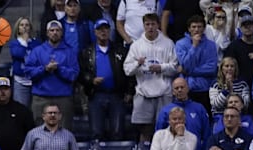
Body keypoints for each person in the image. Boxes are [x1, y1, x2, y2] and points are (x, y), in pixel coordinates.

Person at [123, 13, 178, 142]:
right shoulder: (136, 46)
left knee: (166, 131)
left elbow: (175, 68)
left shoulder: (168, 43)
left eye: (153, 24)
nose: (150, 27)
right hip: (143, 94)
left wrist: (161, 68)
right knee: (145, 131)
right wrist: (138, 63)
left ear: (158, 25)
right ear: (143, 26)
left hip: (164, 94)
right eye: (147, 24)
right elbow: (127, 70)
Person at [154, 78, 209, 150]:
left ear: (188, 88)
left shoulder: (199, 108)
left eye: (182, 87)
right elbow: (159, 135)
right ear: (173, 91)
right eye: (176, 88)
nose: (179, 90)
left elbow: (206, 134)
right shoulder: (165, 111)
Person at [79, 19, 131, 141]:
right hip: (96, 95)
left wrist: (129, 91)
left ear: (110, 31)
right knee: (96, 133)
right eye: (100, 29)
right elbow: (80, 74)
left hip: (116, 95)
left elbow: (128, 73)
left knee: (118, 132)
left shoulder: (120, 50)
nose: (103, 32)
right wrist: (91, 80)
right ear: (95, 32)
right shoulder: (87, 52)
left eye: (106, 29)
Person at [23, 20, 78, 127]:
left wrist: (59, 69)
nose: (54, 33)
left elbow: (74, 74)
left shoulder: (69, 52)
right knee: (39, 133)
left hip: (63, 98)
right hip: (41, 97)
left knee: (64, 132)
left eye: (57, 30)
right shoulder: (37, 51)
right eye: (52, 30)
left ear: (62, 33)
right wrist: (44, 69)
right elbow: (28, 72)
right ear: (47, 33)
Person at [174, 15, 218, 112]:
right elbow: (185, 64)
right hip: (188, 89)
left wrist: (189, 71)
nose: (196, 29)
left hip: (205, 88)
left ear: (204, 28)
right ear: (189, 28)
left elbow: (211, 69)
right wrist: (194, 46)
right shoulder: (180, 44)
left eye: (199, 27)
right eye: (194, 27)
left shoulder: (211, 45)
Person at [223, 15, 253, 89]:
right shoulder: (233, 47)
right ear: (240, 29)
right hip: (238, 87)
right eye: (244, 25)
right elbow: (226, 68)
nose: (247, 27)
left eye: (250, 24)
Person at [9, 17, 41, 108]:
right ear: (18, 28)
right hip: (20, 81)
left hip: (35, 81)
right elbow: (18, 54)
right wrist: (25, 43)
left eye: (27, 25)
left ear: (30, 28)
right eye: (22, 25)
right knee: (21, 109)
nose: (24, 27)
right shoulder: (14, 43)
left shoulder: (36, 43)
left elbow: (37, 58)